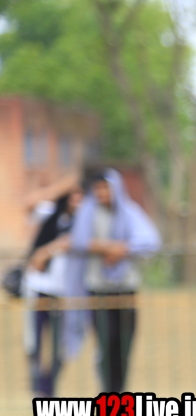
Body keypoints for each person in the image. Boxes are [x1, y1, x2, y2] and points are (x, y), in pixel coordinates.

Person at [68, 168, 161, 393]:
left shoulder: (129, 212)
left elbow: (150, 241)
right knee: (105, 343)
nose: (102, 193)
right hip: (98, 289)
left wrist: (124, 249)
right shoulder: (88, 213)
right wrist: (107, 247)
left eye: (105, 188)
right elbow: (78, 242)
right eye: (98, 188)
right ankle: (107, 393)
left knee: (124, 344)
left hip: (125, 288)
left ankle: (120, 394)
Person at [23, 187, 85, 396]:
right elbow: (29, 203)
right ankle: (37, 387)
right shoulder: (51, 215)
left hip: (66, 292)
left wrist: (46, 251)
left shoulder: (84, 223)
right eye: (73, 199)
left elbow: (71, 243)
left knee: (61, 345)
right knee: (34, 341)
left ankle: (49, 388)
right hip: (39, 287)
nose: (76, 204)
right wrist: (63, 184)